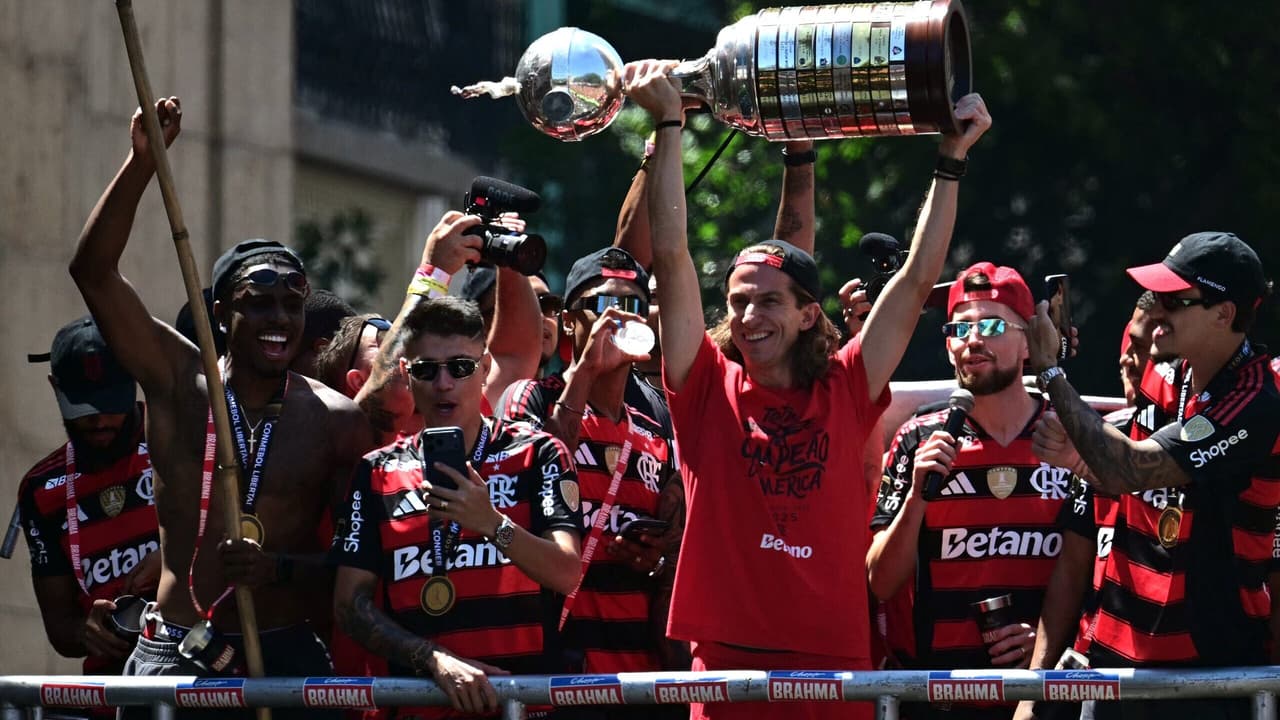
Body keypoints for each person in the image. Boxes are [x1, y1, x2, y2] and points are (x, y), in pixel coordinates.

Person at [625, 56, 990, 720]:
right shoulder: (706, 386)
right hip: (726, 671)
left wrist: (951, 158)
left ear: (807, 314)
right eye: (738, 302)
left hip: (834, 669)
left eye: (768, 302)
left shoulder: (847, 389)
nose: (747, 316)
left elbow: (912, 284)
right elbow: (674, 257)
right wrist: (671, 124)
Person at [68, 97, 373, 707]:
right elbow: (94, 272)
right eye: (258, 303)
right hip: (177, 648)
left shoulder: (337, 420)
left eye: (292, 303)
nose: (279, 319)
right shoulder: (179, 382)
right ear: (219, 315)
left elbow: (358, 564)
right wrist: (142, 164)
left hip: (282, 655)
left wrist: (279, 570)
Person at [1026, 231, 1278, 720]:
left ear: (1224, 314)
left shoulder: (1256, 402)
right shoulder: (1161, 375)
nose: (1157, 312)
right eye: (1157, 295)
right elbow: (1126, 478)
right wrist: (1080, 457)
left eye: (1175, 301)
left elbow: (1128, 469)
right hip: (1115, 668)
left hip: (1208, 680)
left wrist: (1052, 376)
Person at [332, 297, 582, 717]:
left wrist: (491, 523)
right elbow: (348, 606)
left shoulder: (538, 453)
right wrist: (432, 659)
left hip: (520, 705)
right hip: (419, 706)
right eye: (427, 370)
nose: (443, 383)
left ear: (484, 371)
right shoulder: (376, 471)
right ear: (408, 376)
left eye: (460, 367)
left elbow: (567, 572)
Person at [868, 263, 1070, 719]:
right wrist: (919, 494)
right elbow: (880, 581)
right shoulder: (918, 437)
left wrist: (1043, 638)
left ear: (1027, 342)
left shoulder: (1067, 434)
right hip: (939, 697)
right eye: (960, 327)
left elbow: (1098, 571)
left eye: (993, 325)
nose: (973, 339)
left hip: (1046, 693)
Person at [500, 247, 687, 695]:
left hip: (641, 678)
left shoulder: (656, 427)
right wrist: (585, 372)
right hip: (560, 675)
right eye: (604, 304)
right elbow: (527, 481)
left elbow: (674, 564)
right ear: (568, 321)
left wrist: (653, 558)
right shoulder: (532, 399)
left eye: (634, 306)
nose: (620, 317)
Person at [1014, 293, 1169, 720]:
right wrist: (1031, 695)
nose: (1130, 361)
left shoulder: (1213, 435)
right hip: (1090, 676)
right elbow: (1069, 578)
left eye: (1147, 349)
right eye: (1129, 346)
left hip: (1183, 679)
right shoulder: (1099, 435)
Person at [19, 316, 160, 690]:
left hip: (196, 683)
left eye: (111, 403)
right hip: (108, 696)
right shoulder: (41, 488)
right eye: (81, 408)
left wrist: (176, 562)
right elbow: (60, 628)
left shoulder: (182, 437)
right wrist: (86, 633)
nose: (99, 421)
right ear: (55, 389)